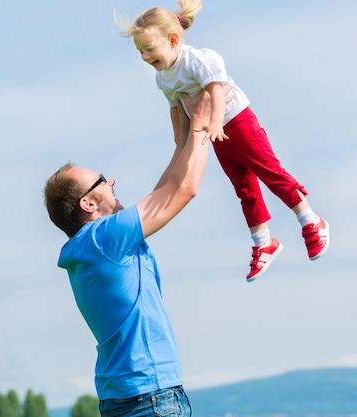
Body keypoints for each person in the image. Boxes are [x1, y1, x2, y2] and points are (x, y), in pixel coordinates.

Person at [114, 0, 330, 282]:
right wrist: (180, 136)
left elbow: (217, 89)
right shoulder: (162, 78)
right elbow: (175, 106)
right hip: (215, 132)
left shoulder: (198, 60)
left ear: (173, 40)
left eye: (149, 49)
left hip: (237, 121)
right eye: (140, 51)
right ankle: (263, 241)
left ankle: (310, 220)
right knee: (243, 186)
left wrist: (215, 121)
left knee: (269, 170)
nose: (144, 56)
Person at [44, 91, 212, 417]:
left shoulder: (91, 247)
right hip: (152, 397)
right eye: (103, 180)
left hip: (126, 399)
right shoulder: (103, 238)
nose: (112, 181)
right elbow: (184, 189)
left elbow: (162, 194)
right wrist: (203, 127)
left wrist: (182, 143)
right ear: (88, 204)